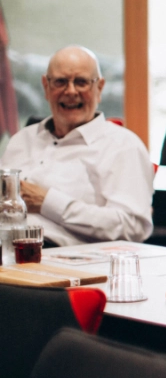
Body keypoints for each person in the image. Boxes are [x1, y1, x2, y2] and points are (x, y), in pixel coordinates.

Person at [0, 46, 152, 246]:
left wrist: (48, 202)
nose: (70, 91)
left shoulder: (123, 146)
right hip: (8, 253)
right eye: (61, 82)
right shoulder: (22, 140)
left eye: (81, 82)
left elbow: (132, 227)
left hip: (66, 260)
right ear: (46, 87)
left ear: (99, 88)